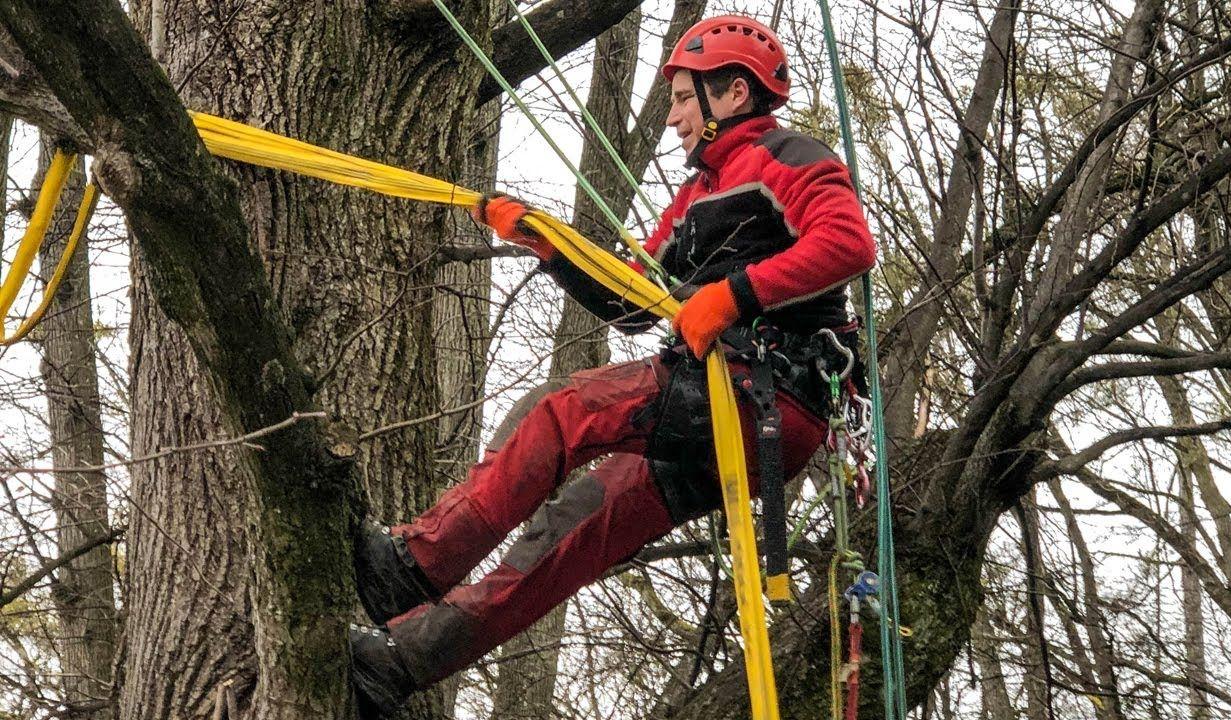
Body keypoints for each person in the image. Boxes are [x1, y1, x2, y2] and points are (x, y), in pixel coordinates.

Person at [348, 14, 877, 717]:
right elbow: (631, 302)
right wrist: (547, 243)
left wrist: (730, 297)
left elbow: (848, 243)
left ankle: (413, 566)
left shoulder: (788, 155)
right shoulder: (692, 201)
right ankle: (400, 663)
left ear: (734, 94)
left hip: (766, 398)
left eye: (686, 98)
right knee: (567, 534)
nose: (674, 119)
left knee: (563, 410)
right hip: (721, 415)